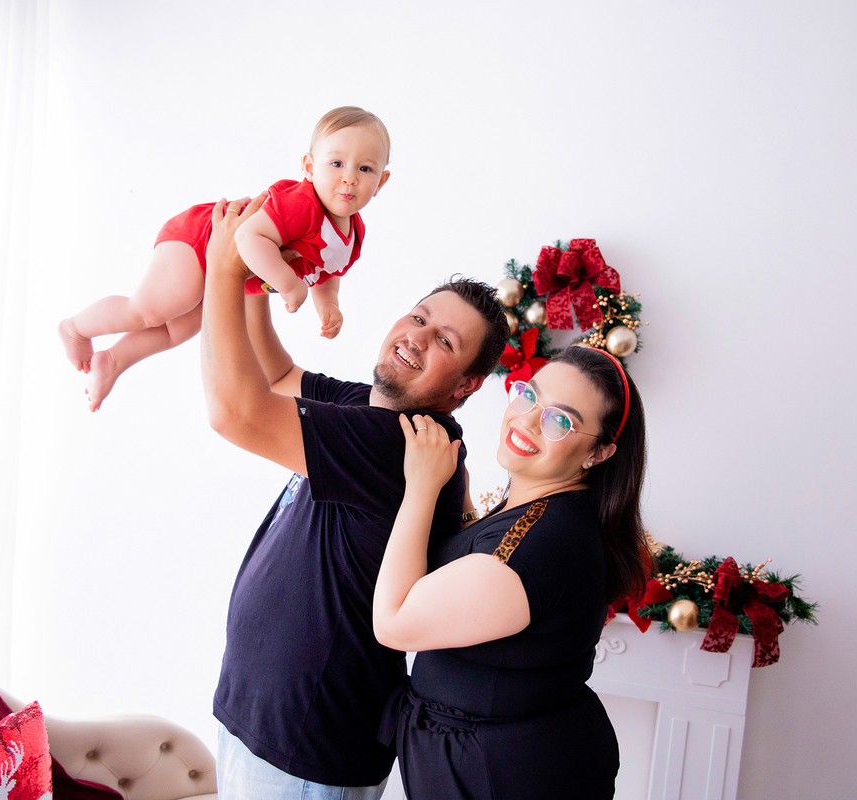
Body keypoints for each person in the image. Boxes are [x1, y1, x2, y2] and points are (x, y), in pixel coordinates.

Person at [198, 194, 509, 800]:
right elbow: (278, 380)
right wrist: (256, 286)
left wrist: (224, 268)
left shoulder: (406, 441)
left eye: (445, 341)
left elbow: (237, 411)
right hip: (258, 720)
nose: (416, 338)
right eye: (419, 318)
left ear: (467, 386)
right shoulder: (365, 406)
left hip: (305, 748)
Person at [373, 345, 649, 800]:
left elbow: (394, 622)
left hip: (504, 777)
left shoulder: (544, 543)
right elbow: (473, 555)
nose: (526, 420)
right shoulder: (546, 508)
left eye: (560, 420)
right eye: (527, 395)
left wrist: (421, 485)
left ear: (599, 454)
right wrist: (454, 487)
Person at [58, 106, 391, 411]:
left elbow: (327, 270)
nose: (350, 177)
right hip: (202, 239)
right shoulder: (302, 204)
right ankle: (75, 328)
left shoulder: (353, 235)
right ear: (309, 166)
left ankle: (114, 361)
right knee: (148, 311)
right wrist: (288, 283)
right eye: (336, 163)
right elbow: (249, 237)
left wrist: (328, 303)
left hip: (224, 273)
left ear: (381, 182)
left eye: (365, 168)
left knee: (179, 330)